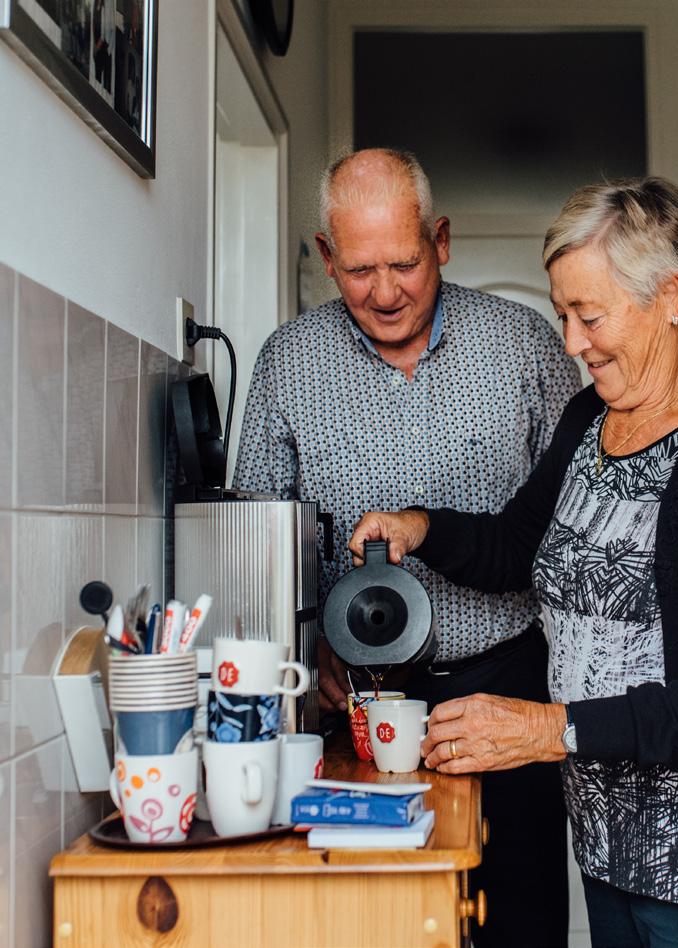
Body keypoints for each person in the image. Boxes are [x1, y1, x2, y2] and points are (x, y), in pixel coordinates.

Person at [348, 177, 678, 948]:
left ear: (670, 296)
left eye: (589, 315)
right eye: (560, 313)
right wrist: (421, 528)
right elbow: (520, 544)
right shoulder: (591, 418)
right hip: (609, 855)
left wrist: (551, 730)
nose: (571, 343)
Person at [233, 148, 580, 948]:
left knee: (517, 920)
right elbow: (259, 534)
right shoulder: (288, 363)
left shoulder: (526, 345)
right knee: (369, 925)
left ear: (443, 241)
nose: (385, 292)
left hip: (505, 686)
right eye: (358, 270)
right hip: (352, 701)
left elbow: (574, 526)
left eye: (404, 262)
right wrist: (304, 649)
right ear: (326, 256)